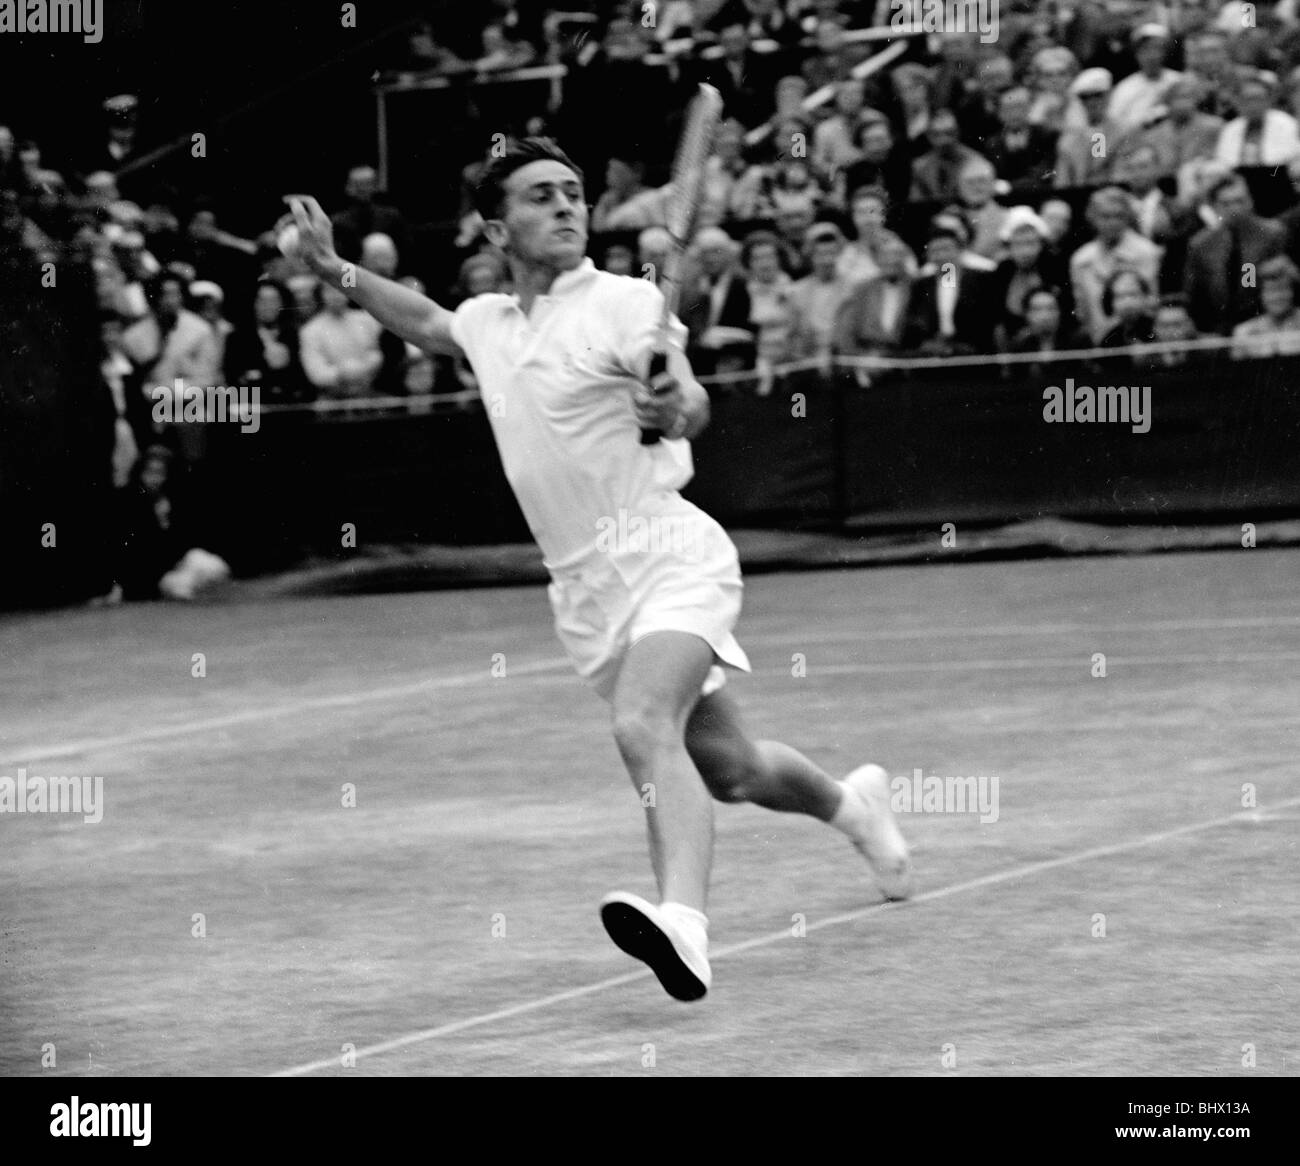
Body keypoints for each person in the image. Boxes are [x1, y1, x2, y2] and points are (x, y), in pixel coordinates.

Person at [282, 137, 912, 1001]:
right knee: (732, 770)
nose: (567, 206)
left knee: (642, 723)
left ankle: (684, 923)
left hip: (668, 555)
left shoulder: (623, 303)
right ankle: (854, 807)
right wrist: (331, 268)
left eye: (574, 192)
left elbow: (687, 395)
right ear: (497, 228)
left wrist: (677, 404)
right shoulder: (490, 323)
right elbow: (424, 321)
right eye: (541, 195)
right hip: (584, 594)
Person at [1183, 172, 1285, 335]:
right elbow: (1195, 296)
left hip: (1263, 326)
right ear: (1214, 206)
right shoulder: (1201, 244)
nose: (1235, 209)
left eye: (1240, 201)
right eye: (1226, 203)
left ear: (1250, 201)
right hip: (1217, 329)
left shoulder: (1272, 234)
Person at [1231, 254, 1300, 357]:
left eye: (1283, 289)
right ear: (1260, 294)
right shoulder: (1245, 332)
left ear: (1293, 291)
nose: (1277, 297)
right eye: (1271, 291)